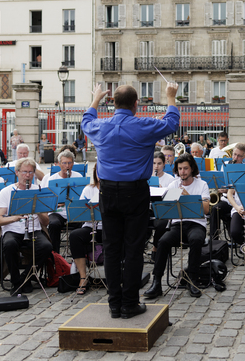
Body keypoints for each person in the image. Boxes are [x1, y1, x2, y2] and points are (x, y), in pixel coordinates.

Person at [82, 81, 180, 319]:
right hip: (135, 192)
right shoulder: (143, 124)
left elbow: (85, 121)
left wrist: (96, 97)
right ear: (136, 104)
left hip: (107, 192)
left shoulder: (101, 125)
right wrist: (170, 96)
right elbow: (172, 122)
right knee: (134, 249)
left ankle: (114, 304)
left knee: (112, 248)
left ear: (113, 103)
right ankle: (129, 303)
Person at [144, 154, 210, 299]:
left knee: (196, 240)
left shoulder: (202, 185)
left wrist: (187, 197)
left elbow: (206, 209)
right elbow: (166, 209)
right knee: (162, 242)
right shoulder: (173, 185)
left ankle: (192, 279)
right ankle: (156, 283)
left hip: (196, 224)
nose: (182, 172)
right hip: (178, 224)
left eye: (185, 168)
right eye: (180, 169)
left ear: (192, 169)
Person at [0, 158, 53, 295]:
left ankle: (24, 279)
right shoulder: (6, 191)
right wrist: (15, 217)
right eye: (24, 172)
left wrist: (38, 209)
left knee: (46, 247)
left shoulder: (39, 190)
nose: (27, 175)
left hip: (34, 229)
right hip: (13, 229)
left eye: (30, 172)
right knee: (9, 245)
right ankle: (16, 281)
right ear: (17, 172)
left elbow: (46, 222)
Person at [40, 151, 83, 254]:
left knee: (84, 224)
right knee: (53, 224)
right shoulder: (52, 179)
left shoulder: (78, 177)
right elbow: (46, 201)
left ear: (73, 163)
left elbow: (83, 197)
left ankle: (79, 256)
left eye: (69, 163)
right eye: (64, 163)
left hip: (73, 210)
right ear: (58, 164)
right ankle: (55, 256)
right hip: (57, 211)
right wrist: (56, 203)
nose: (67, 166)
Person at [69, 165, 102, 295]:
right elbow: (80, 210)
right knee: (75, 236)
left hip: (108, 227)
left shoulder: (115, 189)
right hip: (90, 226)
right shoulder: (89, 189)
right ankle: (83, 277)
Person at [210, 143, 245, 240]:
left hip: (239, 201)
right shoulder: (226, 165)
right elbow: (221, 181)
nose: (236, 157)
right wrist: (220, 188)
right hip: (226, 200)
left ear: (244, 157)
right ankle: (214, 239)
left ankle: (238, 237)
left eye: (239, 156)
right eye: (234, 154)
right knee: (215, 209)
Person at [149, 152, 175, 263]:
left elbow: (172, 198)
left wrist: (160, 191)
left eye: (159, 163)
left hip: (162, 210)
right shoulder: (146, 177)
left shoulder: (170, 179)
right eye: (154, 163)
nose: (156, 166)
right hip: (148, 210)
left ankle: (155, 247)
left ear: (164, 164)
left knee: (163, 223)